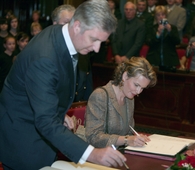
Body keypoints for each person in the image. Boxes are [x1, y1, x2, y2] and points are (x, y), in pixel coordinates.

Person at [0, 0, 127, 169]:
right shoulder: (44, 58)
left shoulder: (60, 34)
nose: (97, 49)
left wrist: (58, 111)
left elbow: (47, 90)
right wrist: (92, 153)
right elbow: (45, 122)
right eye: (94, 39)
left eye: (101, 42)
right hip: (24, 141)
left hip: (39, 134)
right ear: (76, 26)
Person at [85, 57, 157, 148]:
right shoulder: (100, 95)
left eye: (142, 88)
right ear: (125, 76)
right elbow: (93, 137)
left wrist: (136, 138)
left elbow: (128, 131)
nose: (138, 91)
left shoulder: (129, 98)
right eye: (136, 85)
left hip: (119, 152)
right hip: (100, 156)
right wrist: (126, 139)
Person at [146, 5, 180, 70]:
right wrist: (158, 34)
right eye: (158, 15)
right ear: (155, 17)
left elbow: (177, 41)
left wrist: (170, 31)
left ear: (166, 16)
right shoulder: (151, 28)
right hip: (154, 60)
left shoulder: (173, 28)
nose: (161, 17)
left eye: (163, 14)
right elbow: (149, 42)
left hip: (169, 60)